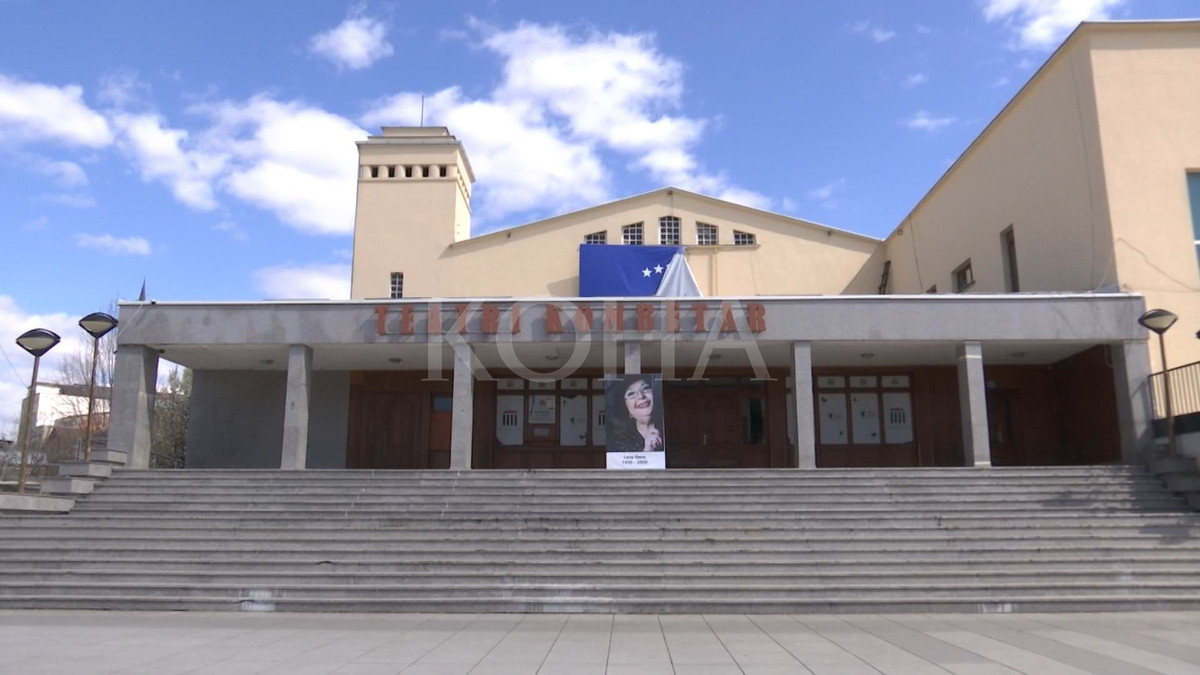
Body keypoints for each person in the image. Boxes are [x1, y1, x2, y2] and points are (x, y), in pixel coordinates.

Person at [608, 376, 665, 453]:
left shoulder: (668, 430)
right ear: (624, 406)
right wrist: (647, 451)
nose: (641, 396)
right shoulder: (618, 443)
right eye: (631, 394)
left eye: (645, 388)